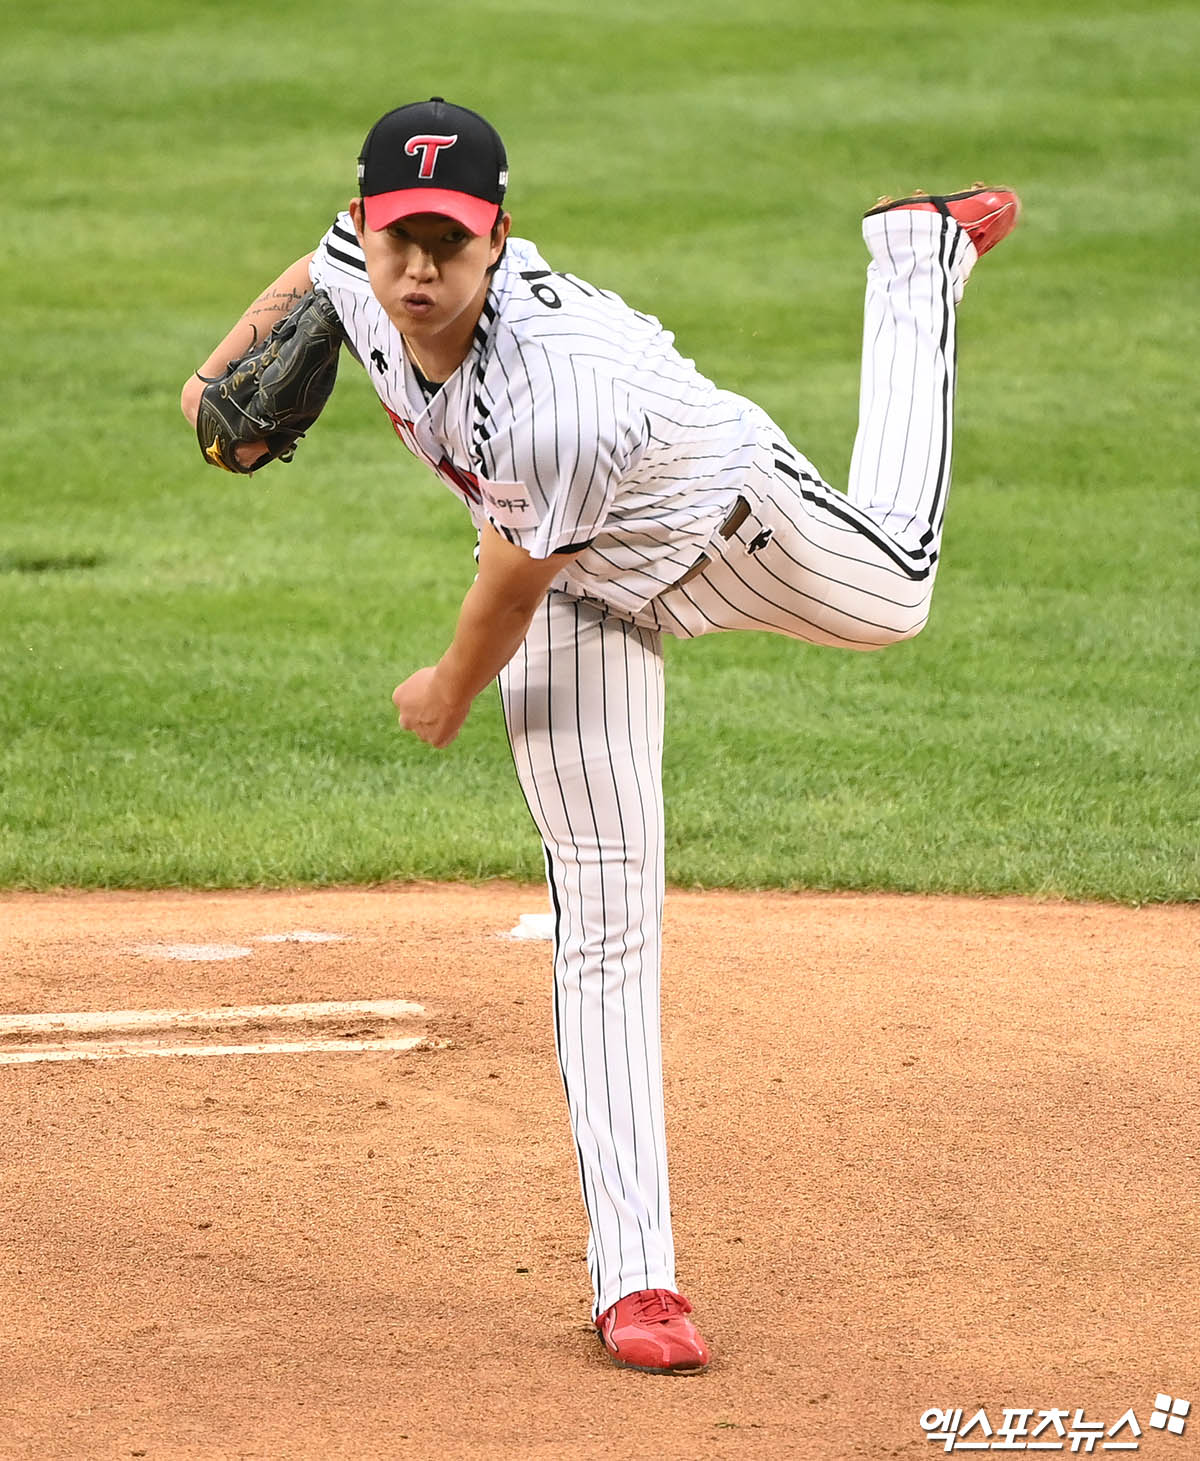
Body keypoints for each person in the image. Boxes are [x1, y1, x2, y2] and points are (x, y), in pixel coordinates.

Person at [181, 97, 1019, 1375]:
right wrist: (213, 369)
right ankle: (639, 1283)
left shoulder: (555, 390)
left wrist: (449, 692)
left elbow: (509, 585)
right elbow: (314, 275)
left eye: (447, 245)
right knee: (608, 922)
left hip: (722, 529)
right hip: (573, 590)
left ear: (498, 239)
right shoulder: (359, 266)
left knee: (897, 593)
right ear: (367, 221)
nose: (416, 270)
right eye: (397, 236)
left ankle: (918, 264)